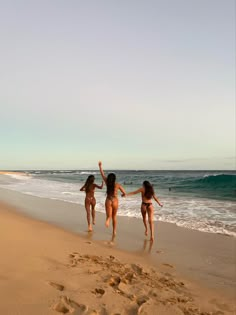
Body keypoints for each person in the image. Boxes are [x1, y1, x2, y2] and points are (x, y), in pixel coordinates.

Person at [98, 161, 126, 237]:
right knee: (114, 216)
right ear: (114, 179)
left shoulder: (107, 183)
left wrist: (100, 166)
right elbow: (124, 192)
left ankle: (107, 220)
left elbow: (102, 174)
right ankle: (114, 231)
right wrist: (123, 195)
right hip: (115, 201)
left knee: (108, 216)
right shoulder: (117, 185)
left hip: (108, 200)